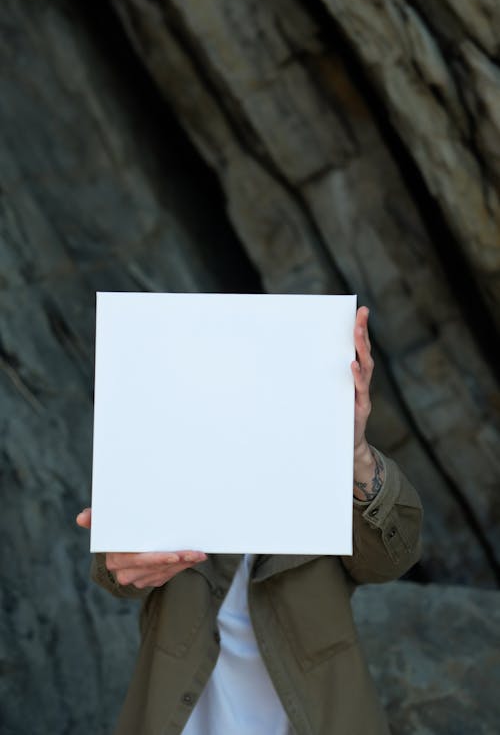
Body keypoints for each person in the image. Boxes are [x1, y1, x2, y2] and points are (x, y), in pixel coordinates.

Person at [77, 306, 423, 735]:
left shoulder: (319, 471)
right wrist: (118, 554)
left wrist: (354, 454)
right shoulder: (164, 458)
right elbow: (115, 571)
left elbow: (392, 559)